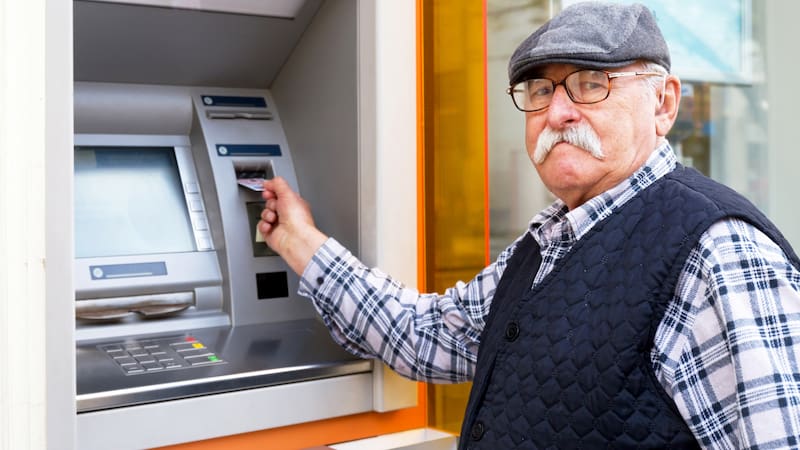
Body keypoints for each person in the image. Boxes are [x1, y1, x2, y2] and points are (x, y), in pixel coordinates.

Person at [259, 2, 800, 448]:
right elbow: (427, 336)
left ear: (663, 104)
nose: (558, 113)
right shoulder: (549, 243)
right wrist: (298, 239)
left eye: (591, 83)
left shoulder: (719, 251)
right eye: (541, 90)